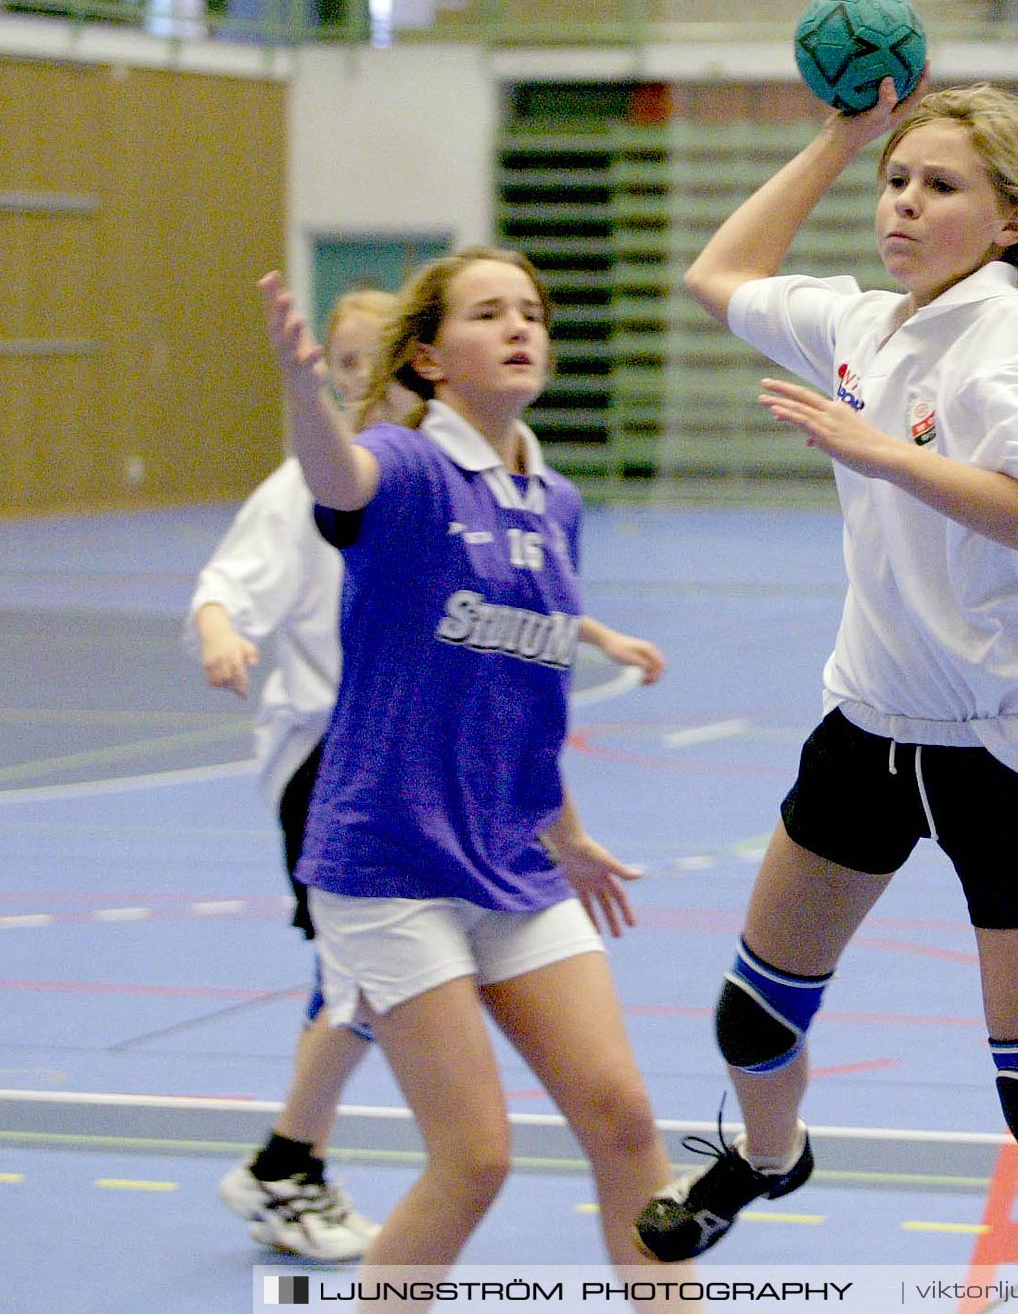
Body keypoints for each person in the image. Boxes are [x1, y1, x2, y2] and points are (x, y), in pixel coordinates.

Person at [631, 79, 1018, 1306]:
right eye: (897, 181)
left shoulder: (1016, 343)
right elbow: (718, 273)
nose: (904, 203)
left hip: (1015, 751)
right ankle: (769, 1160)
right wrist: (840, 135)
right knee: (752, 1021)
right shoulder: (864, 326)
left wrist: (891, 454)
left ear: (1008, 226)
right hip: (872, 726)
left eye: (940, 187)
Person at [258, 249, 687, 1308]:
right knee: (476, 1157)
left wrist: (569, 831)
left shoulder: (557, 501)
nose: (519, 327)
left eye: (533, 312)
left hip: (511, 855)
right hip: (388, 862)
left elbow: (525, 694)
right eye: (488, 313)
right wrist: (303, 389)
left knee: (625, 1119)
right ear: (429, 359)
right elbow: (335, 479)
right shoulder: (405, 471)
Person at [194, 288, 411, 1260]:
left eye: (388, 362)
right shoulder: (305, 486)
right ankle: (283, 1169)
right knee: (360, 975)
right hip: (325, 756)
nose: (369, 385)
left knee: (367, 978)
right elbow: (226, 584)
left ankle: (296, 1167)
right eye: (351, 365)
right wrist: (221, 636)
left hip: (400, 753)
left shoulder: (421, 476)